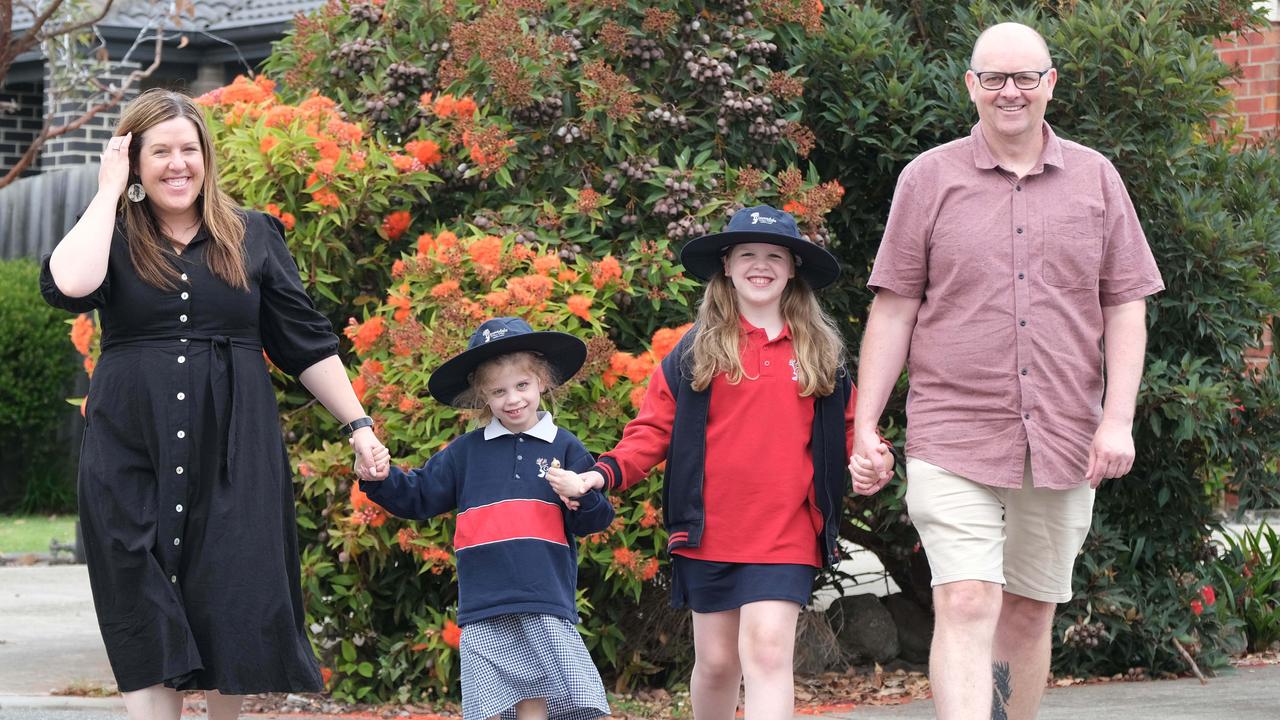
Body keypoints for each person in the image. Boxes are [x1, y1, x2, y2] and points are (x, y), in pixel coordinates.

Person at [849, 22, 1165, 720]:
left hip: (1065, 432)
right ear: (971, 86)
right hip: (952, 426)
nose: (1010, 91)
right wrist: (865, 425)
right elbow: (894, 310)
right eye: (994, 77)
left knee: (1026, 609)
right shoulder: (927, 179)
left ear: (1051, 83)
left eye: (1025, 77)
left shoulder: (1097, 178)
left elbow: (1126, 307)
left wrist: (1117, 421)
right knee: (966, 597)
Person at [40, 88, 388, 720]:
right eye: (160, 152)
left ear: (207, 157)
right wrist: (106, 192)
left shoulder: (251, 234)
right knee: (137, 595)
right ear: (135, 162)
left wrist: (358, 423)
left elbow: (304, 342)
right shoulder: (110, 231)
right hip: (128, 448)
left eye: (189, 149)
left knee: (234, 594)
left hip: (235, 449)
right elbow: (70, 285)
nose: (178, 164)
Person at [546, 205, 892, 719]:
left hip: (787, 531)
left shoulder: (820, 353)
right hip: (710, 531)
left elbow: (852, 431)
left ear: (793, 267)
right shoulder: (695, 351)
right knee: (715, 664)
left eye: (775, 255)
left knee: (769, 651)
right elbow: (651, 431)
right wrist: (599, 474)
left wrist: (872, 460)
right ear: (726, 265)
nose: (761, 265)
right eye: (747, 254)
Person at [355, 316, 613, 720]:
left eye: (522, 386)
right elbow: (419, 496)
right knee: (490, 707)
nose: (513, 399)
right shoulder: (466, 452)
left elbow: (594, 520)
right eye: (499, 391)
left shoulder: (565, 446)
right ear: (482, 397)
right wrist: (382, 477)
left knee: (539, 702)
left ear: (542, 383)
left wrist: (580, 494)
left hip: (543, 598)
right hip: (484, 603)